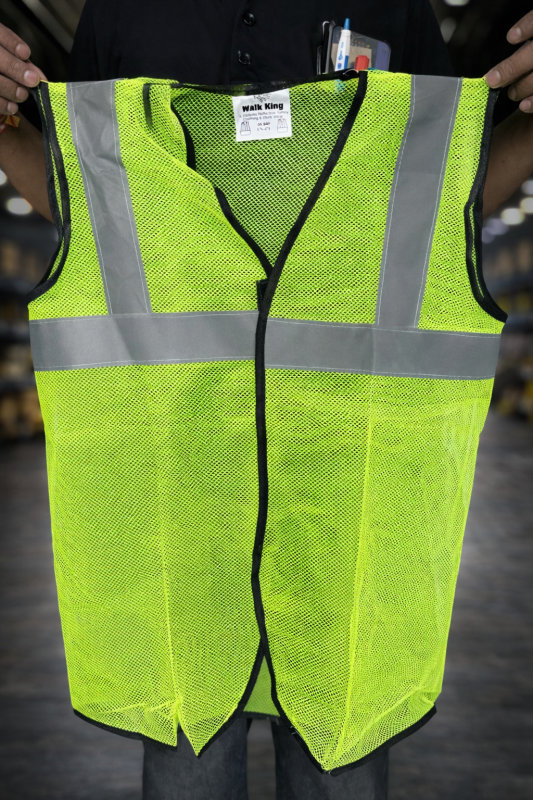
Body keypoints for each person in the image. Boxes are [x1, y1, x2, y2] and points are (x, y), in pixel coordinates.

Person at [0, 3, 531, 799]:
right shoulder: (121, 11)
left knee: (333, 755)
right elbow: (86, 198)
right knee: (192, 759)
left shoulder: (395, 6)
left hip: (345, 516)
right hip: (181, 519)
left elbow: (446, 192)